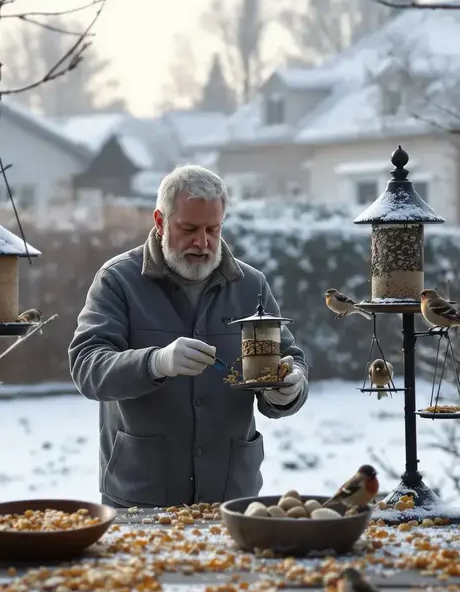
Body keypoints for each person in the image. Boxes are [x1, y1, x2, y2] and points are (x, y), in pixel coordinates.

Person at [68, 165, 310, 509]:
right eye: (189, 228)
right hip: (140, 493)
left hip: (233, 493)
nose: (203, 242)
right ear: (160, 220)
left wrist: (289, 390)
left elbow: (290, 361)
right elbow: (87, 367)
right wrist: (156, 362)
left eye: (214, 229)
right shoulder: (118, 280)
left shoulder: (251, 285)